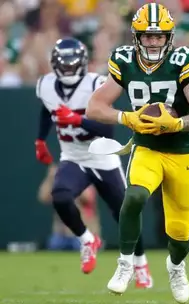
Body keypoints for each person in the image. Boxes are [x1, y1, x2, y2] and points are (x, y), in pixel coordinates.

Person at [86, 2, 189, 303]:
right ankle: (125, 263)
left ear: (169, 37)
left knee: (180, 236)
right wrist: (126, 118)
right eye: (147, 36)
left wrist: (176, 123)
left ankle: (176, 265)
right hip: (148, 147)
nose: (153, 42)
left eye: (159, 36)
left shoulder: (185, 60)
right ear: (136, 37)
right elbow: (95, 106)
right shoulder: (124, 60)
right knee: (134, 196)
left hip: (184, 151)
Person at [34, 37, 152, 288]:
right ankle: (87, 239)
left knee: (125, 214)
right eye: (62, 66)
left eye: (71, 65)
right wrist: (40, 140)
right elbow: (47, 109)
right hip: (73, 157)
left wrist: (77, 120)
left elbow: (108, 129)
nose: (67, 70)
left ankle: (140, 264)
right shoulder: (45, 85)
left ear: (82, 64)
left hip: (103, 157)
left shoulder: (96, 84)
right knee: (60, 197)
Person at [38, 163, 100, 251]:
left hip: (83, 234)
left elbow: (87, 197)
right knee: (53, 246)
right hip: (61, 235)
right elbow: (43, 197)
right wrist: (50, 178)